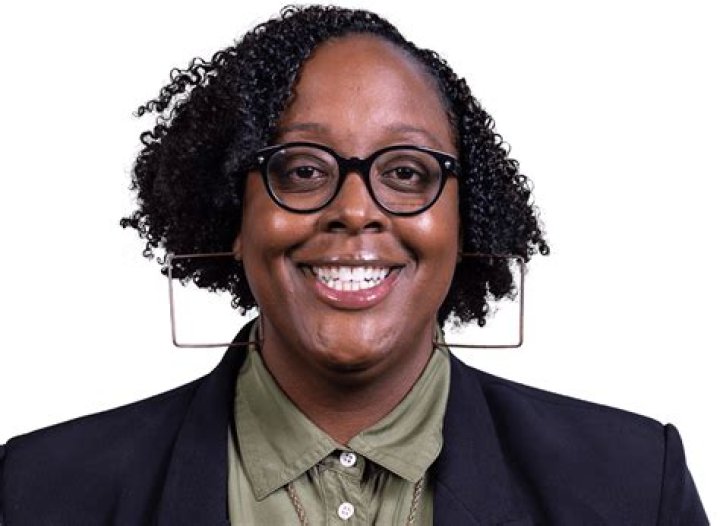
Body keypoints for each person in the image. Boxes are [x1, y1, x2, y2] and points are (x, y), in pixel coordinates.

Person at [0, 5, 708, 525]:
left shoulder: (634, 484)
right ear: (233, 217)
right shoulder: (42, 492)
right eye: (303, 170)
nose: (356, 210)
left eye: (405, 172)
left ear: (464, 222)